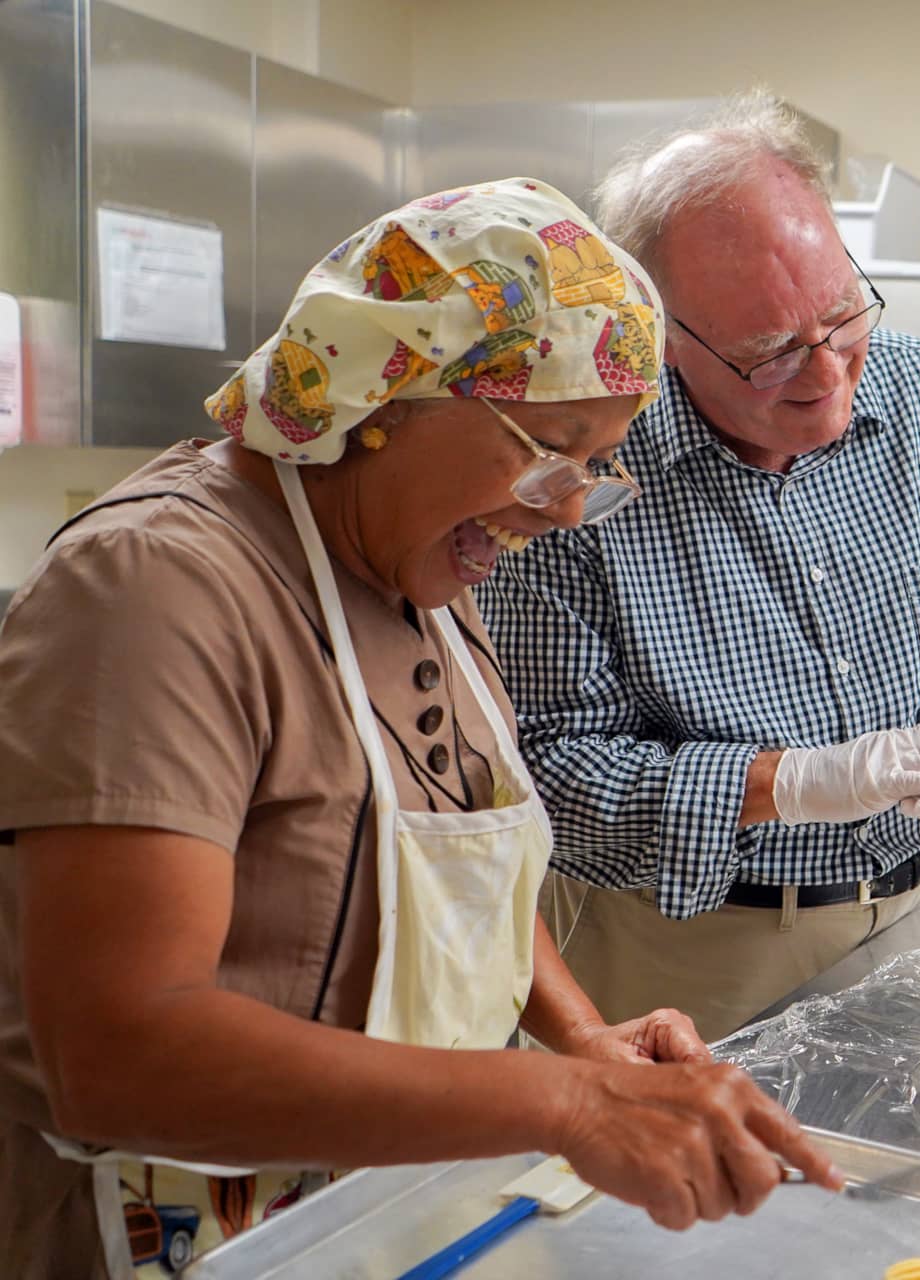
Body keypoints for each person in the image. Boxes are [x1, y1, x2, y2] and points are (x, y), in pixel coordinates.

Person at [0, 181, 850, 1278]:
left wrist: (581, 1034)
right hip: (181, 1237)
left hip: (383, 1203)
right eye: (550, 447)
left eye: (596, 467)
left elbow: (458, 855)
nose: (562, 508)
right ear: (387, 385)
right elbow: (118, 1051)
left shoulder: (424, 574)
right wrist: (565, 1098)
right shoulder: (155, 588)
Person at [476, 95, 920, 1041]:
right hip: (684, 954)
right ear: (663, 336)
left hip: (913, 912)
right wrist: (789, 782)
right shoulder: (587, 473)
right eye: (769, 352)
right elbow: (547, 773)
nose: (827, 372)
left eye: (841, 315)